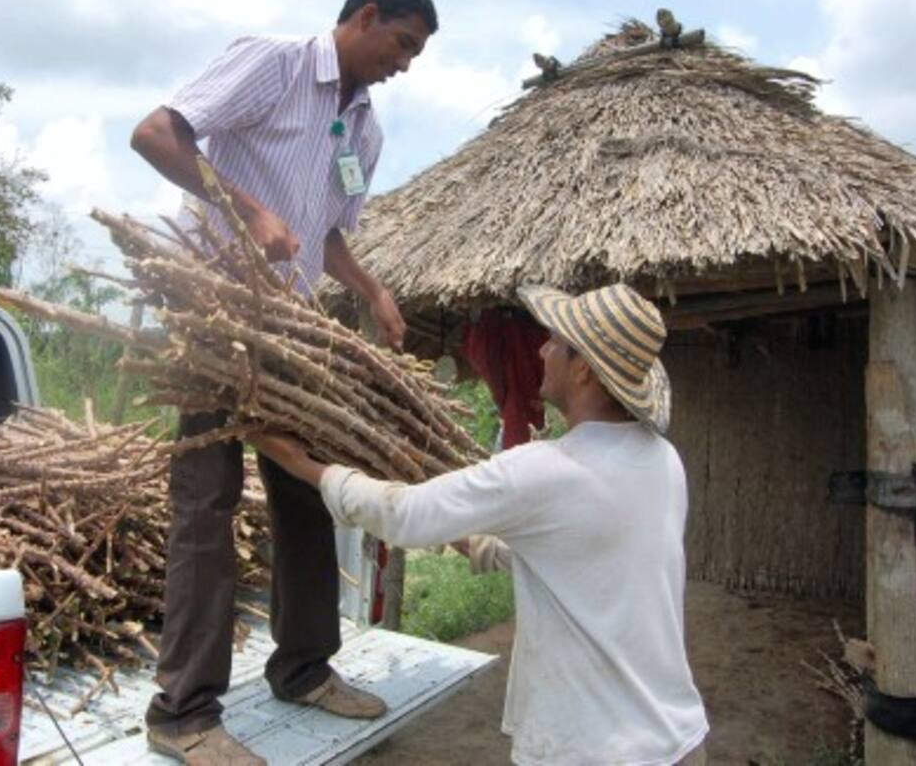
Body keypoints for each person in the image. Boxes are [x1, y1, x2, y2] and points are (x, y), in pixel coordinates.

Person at [129, 0, 437, 765]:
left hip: (290, 328)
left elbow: (328, 233)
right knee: (208, 499)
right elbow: (158, 132)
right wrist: (249, 208)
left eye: (415, 54)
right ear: (365, 17)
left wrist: (371, 289)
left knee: (308, 492)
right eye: (402, 43)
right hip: (214, 313)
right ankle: (183, 711)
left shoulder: (364, 129)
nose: (405, 64)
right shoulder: (274, 64)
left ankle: (302, 667)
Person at [254, 284, 710, 765]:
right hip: (679, 739)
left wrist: (300, 463)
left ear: (583, 370)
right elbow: (581, 551)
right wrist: (476, 541)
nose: (541, 349)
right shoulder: (663, 460)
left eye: (554, 340)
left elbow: (401, 514)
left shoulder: (544, 470)